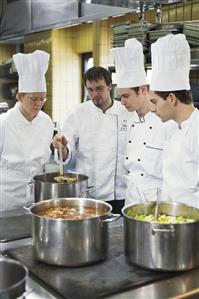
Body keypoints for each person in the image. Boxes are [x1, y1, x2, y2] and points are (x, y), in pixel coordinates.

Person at [53, 66, 132, 214]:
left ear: (109, 86)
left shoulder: (126, 112)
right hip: (88, 193)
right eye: (90, 90)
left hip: (120, 192)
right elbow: (66, 154)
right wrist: (60, 146)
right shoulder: (78, 113)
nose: (95, 94)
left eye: (99, 88)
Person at [111, 38, 177, 205]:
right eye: (120, 97)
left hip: (157, 203)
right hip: (131, 198)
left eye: (126, 96)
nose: (122, 102)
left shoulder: (167, 123)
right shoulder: (128, 118)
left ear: (143, 89)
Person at [0, 50, 54, 211]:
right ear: (20, 96)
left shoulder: (46, 122)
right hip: (6, 199)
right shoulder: (4, 123)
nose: (38, 104)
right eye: (33, 99)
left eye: (42, 98)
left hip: (35, 198)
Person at [149, 34, 199, 208]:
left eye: (154, 102)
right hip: (174, 223)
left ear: (171, 98)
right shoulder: (175, 129)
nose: (152, 108)